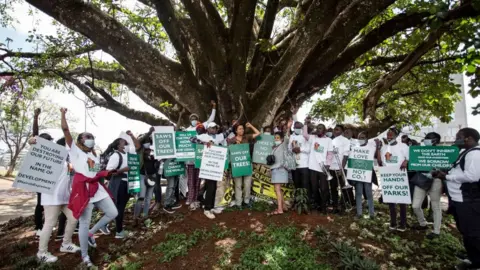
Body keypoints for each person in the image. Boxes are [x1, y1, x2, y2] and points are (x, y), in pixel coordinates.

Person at [61, 108, 118, 267]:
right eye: (87, 137)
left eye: (92, 137)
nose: (90, 139)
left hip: (96, 188)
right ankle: (85, 257)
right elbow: (65, 130)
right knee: (83, 223)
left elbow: (93, 172)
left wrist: (105, 173)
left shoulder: (93, 155)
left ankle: (91, 233)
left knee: (113, 212)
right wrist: (63, 114)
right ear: (80, 141)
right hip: (83, 190)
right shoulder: (74, 151)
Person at [433, 128, 480, 270]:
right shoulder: (464, 153)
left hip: (468, 201)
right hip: (459, 200)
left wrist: (446, 177)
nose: (455, 139)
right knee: (465, 231)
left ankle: (477, 263)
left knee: (473, 232)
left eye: (459, 136)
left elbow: (472, 177)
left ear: (469, 138)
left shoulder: (475, 155)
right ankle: (472, 256)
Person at [29, 136, 80, 263]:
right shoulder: (50, 157)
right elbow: (36, 152)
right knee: (49, 224)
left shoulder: (68, 161)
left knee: (74, 219)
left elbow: (72, 177)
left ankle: (66, 244)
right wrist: (32, 142)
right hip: (51, 197)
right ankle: (42, 252)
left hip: (65, 197)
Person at [105, 132, 138, 239]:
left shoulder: (127, 155)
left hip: (127, 184)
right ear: (119, 145)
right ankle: (119, 231)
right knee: (119, 207)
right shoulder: (115, 156)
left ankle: (105, 224)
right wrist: (122, 170)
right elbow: (108, 172)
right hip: (119, 184)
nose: (127, 145)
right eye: (125, 143)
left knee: (119, 207)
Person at [376, 127, 409, 232]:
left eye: (391, 134)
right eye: (388, 134)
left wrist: (405, 162)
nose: (389, 136)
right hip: (388, 176)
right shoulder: (384, 148)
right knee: (391, 201)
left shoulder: (403, 146)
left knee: (402, 201)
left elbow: (408, 158)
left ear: (396, 135)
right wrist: (378, 148)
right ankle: (393, 222)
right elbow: (380, 162)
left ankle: (403, 223)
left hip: (400, 175)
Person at [190, 122, 226, 219]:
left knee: (212, 186)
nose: (214, 129)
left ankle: (207, 204)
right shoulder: (203, 136)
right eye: (212, 128)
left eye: (215, 128)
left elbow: (228, 132)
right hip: (207, 166)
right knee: (211, 186)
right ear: (208, 129)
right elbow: (191, 139)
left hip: (216, 166)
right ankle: (207, 209)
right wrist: (204, 143)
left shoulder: (219, 137)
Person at [411, 132, 443, 239]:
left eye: (428, 138)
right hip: (421, 179)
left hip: (436, 181)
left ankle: (436, 231)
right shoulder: (420, 151)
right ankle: (422, 224)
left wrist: (436, 171)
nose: (425, 140)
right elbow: (414, 163)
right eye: (425, 138)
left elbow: (446, 166)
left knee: (436, 206)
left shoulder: (443, 152)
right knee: (415, 205)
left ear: (436, 141)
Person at [185, 101, 216, 209]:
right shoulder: (187, 131)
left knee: (198, 181)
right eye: (192, 119)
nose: (194, 121)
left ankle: (196, 199)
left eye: (195, 119)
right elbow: (189, 139)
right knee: (190, 181)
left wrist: (214, 108)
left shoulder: (202, 127)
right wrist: (203, 143)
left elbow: (211, 119)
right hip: (189, 160)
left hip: (200, 160)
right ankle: (190, 198)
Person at [227, 122, 260, 208]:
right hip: (237, 165)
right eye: (240, 129)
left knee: (247, 184)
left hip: (247, 164)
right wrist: (235, 145)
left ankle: (246, 201)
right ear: (236, 131)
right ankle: (238, 203)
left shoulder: (246, 137)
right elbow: (229, 152)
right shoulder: (232, 140)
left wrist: (251, 126)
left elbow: (258, 133)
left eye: (243, 128)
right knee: (238, 185)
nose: (242, 130)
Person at [32, 108, 54, 237]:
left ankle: (46, 225)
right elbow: (35, 133)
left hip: (49, 180)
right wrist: (35, 117)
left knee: (48, 204)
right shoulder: (37, 146)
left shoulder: (52, 151)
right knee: (40, 204)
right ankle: (38, 227)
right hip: (40, 180)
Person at [303, 123, 334, 213]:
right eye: (318, 128)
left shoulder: (328, 140)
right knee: (314, 188)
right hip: (312, 167)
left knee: (324, 188)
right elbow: (305, 135)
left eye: (321, 128)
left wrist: (327, 165)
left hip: (323, 167)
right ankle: (319, 204)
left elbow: (330, 154)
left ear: (324, 131)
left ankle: (324, 207)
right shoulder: (313, 137)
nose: (319, 130)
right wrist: (306, 124)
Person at [268, 120, 293, 215]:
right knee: (278, 189)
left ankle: (280, 209)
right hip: (275, 170)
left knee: (277, 189)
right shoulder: (274, 148)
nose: (276, 139)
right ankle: (284, 207)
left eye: (278, 138)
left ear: (281, 139)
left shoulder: (283, 145)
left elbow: (287, 137)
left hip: (280, 170)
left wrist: (289, 127)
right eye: (275, 138)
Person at [350, 132, 375, 219]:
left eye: (363, 137)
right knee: (358, 193)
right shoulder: (354, 149)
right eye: (359, 138)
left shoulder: (371, 148)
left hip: (367, 174)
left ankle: (372, 214)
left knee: (369, 194)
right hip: (358, 174)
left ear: (367, 139)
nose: (361, 139)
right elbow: (352, 161)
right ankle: (359, 213)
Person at [330, 124, 354, 213]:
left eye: (337, 130)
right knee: (333, 188)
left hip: (340, 168)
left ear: (342, 131)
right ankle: (335, 207)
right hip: (332, 168)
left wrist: (341, 169)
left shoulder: (345, 141)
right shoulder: (332, 141)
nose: (335, 131)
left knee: (344, 189)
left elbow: (345, 155)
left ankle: (344, 207)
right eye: (334, 130)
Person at [288, 121, 310, 205]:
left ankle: (306, 203)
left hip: (304, 165)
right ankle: (298, 203)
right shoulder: (291, 137)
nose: (297, 129)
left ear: (302, 128)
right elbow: (288, 149)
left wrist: (300, 149)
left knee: (305, 185)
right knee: (297, 185)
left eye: (299, 127)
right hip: (295, 165)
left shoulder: (305, 137)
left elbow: (309, 149)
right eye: (295, 127)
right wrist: (292, 150)